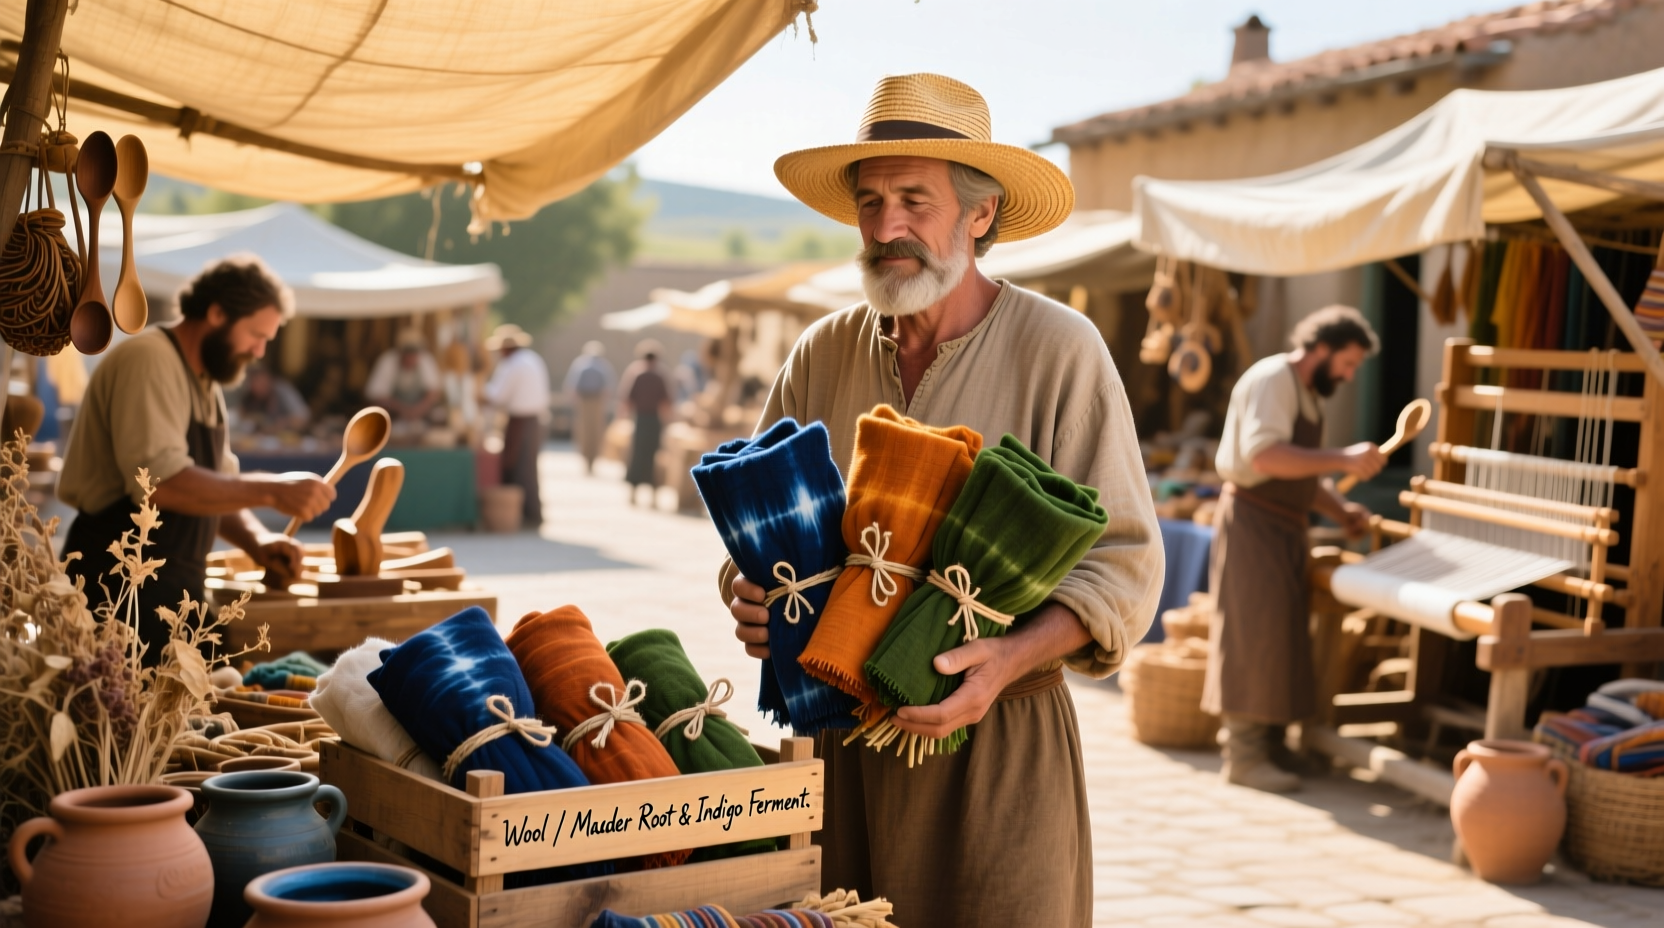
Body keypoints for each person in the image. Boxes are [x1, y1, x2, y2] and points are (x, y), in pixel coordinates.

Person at [721, 74, 1162, 927]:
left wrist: (1005, 660)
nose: (889, 229)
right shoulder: (821, 352)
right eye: (873, 201)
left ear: (980, 214)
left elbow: (1127, 566)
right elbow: (759, 523)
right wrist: (750, 593)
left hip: (997, 749)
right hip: (838, 751)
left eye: (916, 201)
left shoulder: (1060, 349)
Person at [60, 256, 335, 661]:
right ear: (217, 312)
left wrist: (259, 542)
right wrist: (273, 490)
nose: (259, 351)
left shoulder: (206, 383)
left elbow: (215, 491)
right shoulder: (150, 360)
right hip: (117, 591)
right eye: (255, 335)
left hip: (176, 591)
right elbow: (163, 485)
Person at [1204, 305, 1387, 793]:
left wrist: (1339, 509)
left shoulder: (1307, 392)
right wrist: (1342, 457)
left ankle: (1274, 746)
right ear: (1322, 349)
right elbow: (1264, 456)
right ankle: (1242, 756)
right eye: (1348, 363)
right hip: (1252, 523)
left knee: (1282, 635)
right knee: (1252, 633)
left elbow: (1302, 468)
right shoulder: (1273, 379)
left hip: (1283, 527)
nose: (1349, 376)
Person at [482, 323, 550, 528]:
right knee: (528, 466)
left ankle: (522, 513)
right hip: (534, 418)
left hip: (520, 419)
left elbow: (497, 395)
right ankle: (531, 511)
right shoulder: (532, 359)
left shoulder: (512, 365)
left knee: (517, 465)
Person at [617, 339, 670, 505]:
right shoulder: (659, 376)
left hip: (640, 419)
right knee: (652, 455)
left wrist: (623, 419)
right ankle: (653, 495)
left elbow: (626, 400)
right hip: (653, 420)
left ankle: (634, 492)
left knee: (638, 455)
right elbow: (666, 403)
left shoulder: (637, 375)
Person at [364, 328, 443, 428]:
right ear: (400, 352)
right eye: (408, 353)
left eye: (415, 353)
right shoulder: (387, 361)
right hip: (392, 419)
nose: (411, 357)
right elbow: (375, 395)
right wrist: (402, 409)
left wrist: (416, 411)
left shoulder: (426, 360)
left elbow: (434, 393)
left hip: (421, 419)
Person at [564, 340, 614, 474]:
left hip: (588, 401)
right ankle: (589, 459)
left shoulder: (581, 364)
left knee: (586, 431)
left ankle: (589, 459)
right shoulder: (601, 365)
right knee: (593, 431)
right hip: (592, 401)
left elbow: (572, 387)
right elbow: (607, 390)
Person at [232, 363, 309, 435]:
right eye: (255, 383)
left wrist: (285, 423)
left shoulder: (282, 391)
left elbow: (303, 418)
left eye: (262, 383)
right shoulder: (249, 396)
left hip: (285, 441)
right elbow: (239, 417)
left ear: (269, 379)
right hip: (257, 442)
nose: (259, 387)